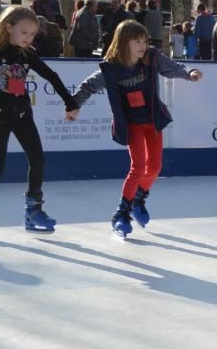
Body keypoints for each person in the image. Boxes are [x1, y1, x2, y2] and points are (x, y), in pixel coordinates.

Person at [68, 20, 203, 238]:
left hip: (152, 119)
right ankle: (121, 214)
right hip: (131, 124)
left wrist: (189, 72)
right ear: (123, 42)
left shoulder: (151, 58)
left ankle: (139, 199)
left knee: (155, 167)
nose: (142, 45)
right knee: (138, 167)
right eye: (136, 41)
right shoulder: (111, 68)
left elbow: (173, 68)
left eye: (144, 41)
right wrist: (73, 106)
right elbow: (88, 86)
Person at [0, 7, 79, 238]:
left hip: (21, 114)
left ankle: (33, 210)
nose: (28, 37)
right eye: (24, 31)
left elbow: (51, 76)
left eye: (33, 34)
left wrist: (70, 102)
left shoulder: (27, 55)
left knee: (37, 158)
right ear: (9, 27)